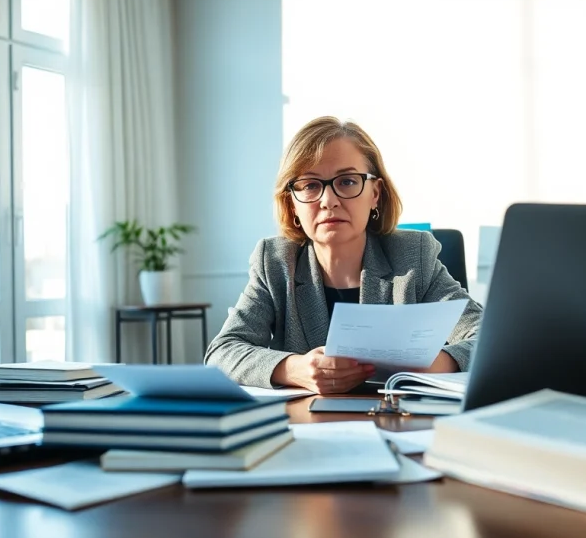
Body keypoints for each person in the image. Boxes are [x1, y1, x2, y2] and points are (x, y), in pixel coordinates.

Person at [204, 116, 483, 393]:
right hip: (309, 425)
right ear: (292, 204)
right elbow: (223, 351)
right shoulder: (276, 262)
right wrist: (294, 368)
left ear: (375, 193)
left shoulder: (413, 257)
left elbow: (489, 336)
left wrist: (436, 363)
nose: (328, 201)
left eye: (347, 181)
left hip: (399, 421)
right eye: (311, 185)